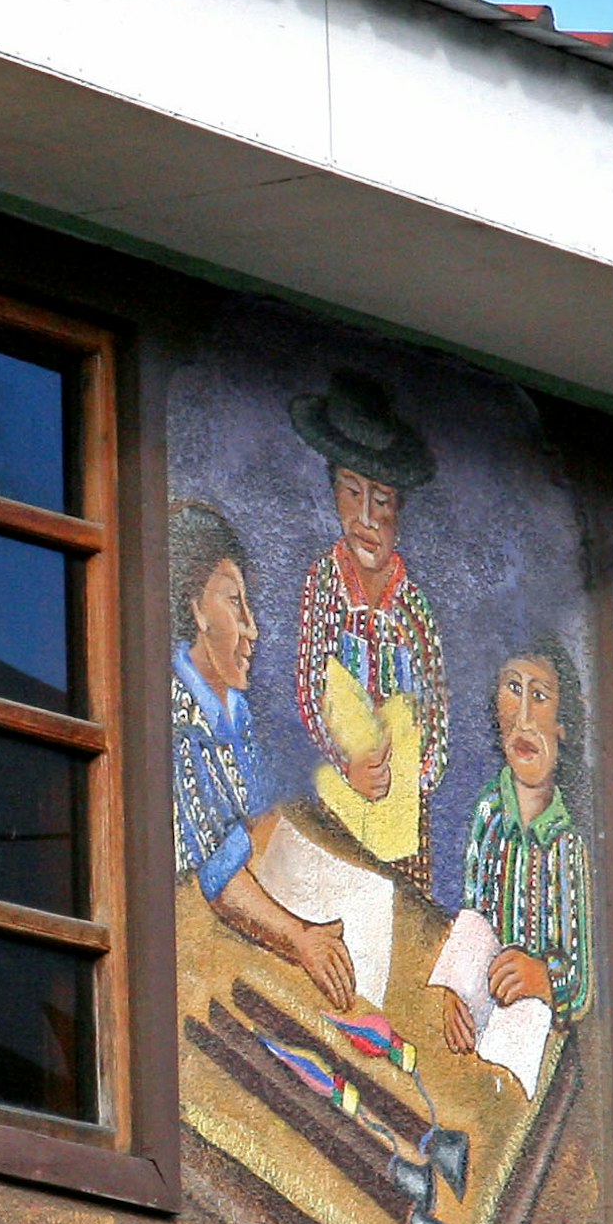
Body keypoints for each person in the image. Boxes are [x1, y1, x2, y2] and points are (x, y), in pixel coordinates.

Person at [168, 501, 356, 1008]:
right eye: (234, 603)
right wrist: (300, 939)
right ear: (196, 610)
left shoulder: (235, 710)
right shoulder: (178, 717)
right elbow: (216, 873)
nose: (251, 629)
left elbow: (258, 821)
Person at [287, 369, 445, 869]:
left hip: (403, 814)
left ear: (399, 510)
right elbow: (313, 686)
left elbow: (435, 714)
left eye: (382, 501)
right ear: (334, 494)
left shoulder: (413, 607)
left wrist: (412, 777)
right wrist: (349, 763)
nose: (367, 519)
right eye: (352, 493)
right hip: (342, 792)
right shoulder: (326, 583)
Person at [438, 645, 594, 1052]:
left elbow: (579, 983)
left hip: (536, 1032)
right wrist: (456, 988)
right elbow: (474, 919)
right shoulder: (489, 811)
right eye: (512, 689)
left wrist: (542, 978)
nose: (523, 718)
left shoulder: (566, 841)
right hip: (482, 1015)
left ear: (563, 724)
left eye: (539, 696)